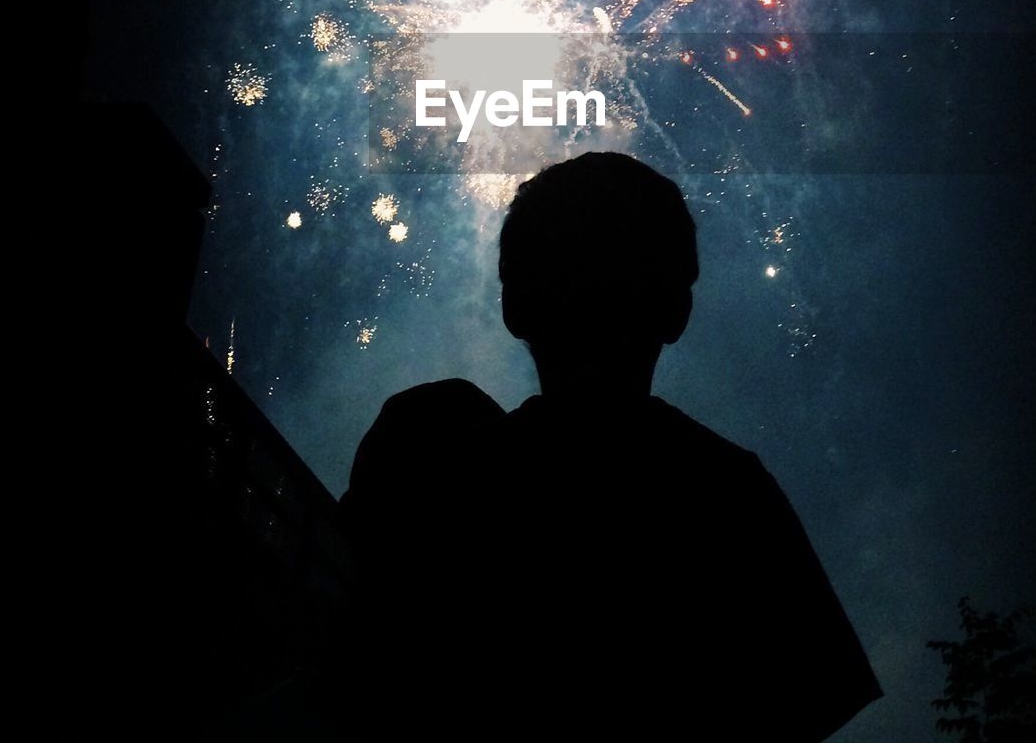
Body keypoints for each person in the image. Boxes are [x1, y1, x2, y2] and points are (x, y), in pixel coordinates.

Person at [340, 153, 882, 738]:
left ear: (513, 306)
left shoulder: (439, 485)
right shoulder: (727, 489)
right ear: (678, 311)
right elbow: (819, 695)